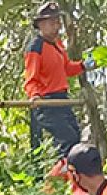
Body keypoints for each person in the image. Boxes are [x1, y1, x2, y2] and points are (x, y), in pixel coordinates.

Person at [24, 2, 90, 169]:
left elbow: (66, 68)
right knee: (67, 139)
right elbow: (31, 78)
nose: (56, 26)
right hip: (47, 102)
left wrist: (84, 65)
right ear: (41, 25)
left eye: (57, 22)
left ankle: (67, 177)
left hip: (62, 100)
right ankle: (54, 181)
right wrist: (35, 96)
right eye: (52, 23)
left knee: (75, 138)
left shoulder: (58, 44)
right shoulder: (35, 47)